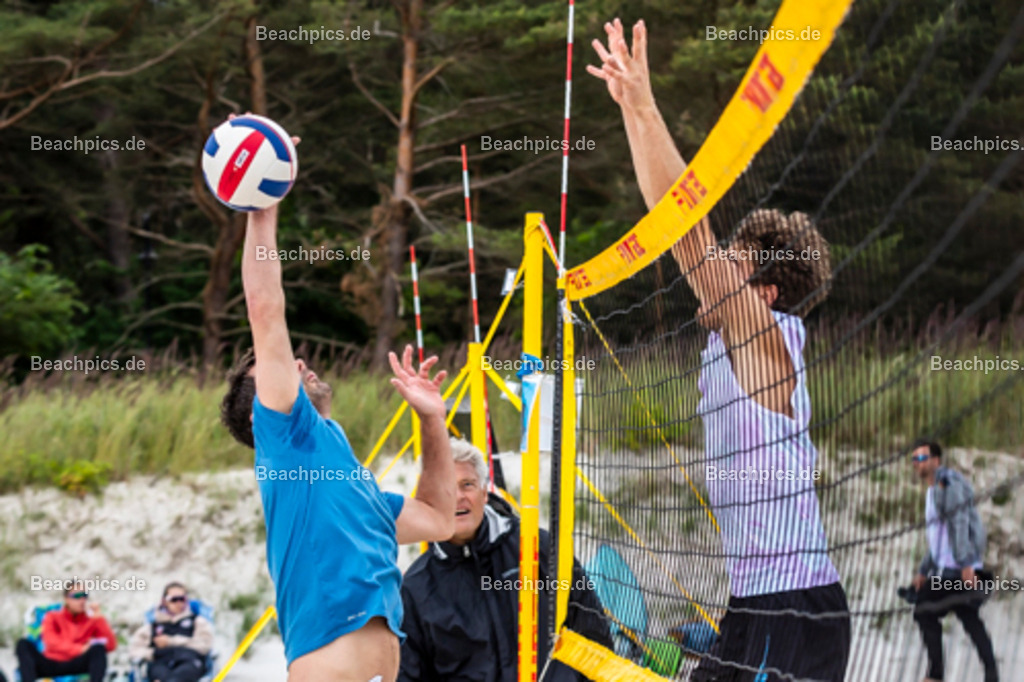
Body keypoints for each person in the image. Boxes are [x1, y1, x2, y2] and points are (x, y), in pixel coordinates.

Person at [587, 18, 849, 681]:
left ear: (761, 292)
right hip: (759, 605)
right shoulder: (734, 343)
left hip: (793, 611)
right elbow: (690, 238)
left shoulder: (764, 337)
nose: (717, 270)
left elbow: (685, 230)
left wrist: (641, 106)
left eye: (734, 264)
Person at [219, 133, 456, 682]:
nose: (296, 363)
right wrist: (262, 205)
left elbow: (440, 520)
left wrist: (432, 421)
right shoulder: (287, 436)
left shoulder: (351, 483)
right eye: (276, 369)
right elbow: (264, 308)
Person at [397, 439, 612, 681]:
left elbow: (593, 632)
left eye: (467, 484)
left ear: (484, 492)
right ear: (429, 497)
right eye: (445, 486)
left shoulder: (538, 548)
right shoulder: (415, 589)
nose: (458, 497)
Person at [909, 438, 998, 682]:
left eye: (922, 457)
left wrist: (967, 564)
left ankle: (936, 675)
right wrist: (923, 570)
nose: (917, 463)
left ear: (936, 460)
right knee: (967, 617)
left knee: (924, 611)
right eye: (914, 458)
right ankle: (992, 674)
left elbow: (959, 523)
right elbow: (939, 538)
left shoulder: (946, 484)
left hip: (957, 569)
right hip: (950, 568)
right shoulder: (934, 489)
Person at [16, 581, 117, 682]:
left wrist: (99, 617)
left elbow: (110, 645)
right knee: (23, 644)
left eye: (85, 595)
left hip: (77, 663)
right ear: (66, 599)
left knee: (98, 649)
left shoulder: (92, 621)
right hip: (51, 663)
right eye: (77, 596)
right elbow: (51, 643)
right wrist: (80, 649)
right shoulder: (53, 616)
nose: (82, 600)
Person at [129, 582, 214, 682]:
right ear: (164, 601)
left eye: (182, 599)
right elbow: (134, 651)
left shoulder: (197, 621)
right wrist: (154, 653)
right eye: (174, 599)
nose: (179, 603)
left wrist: (171, 641)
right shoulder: (151, 626)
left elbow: (205, 646)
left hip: (189, 661)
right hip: (160, 663)